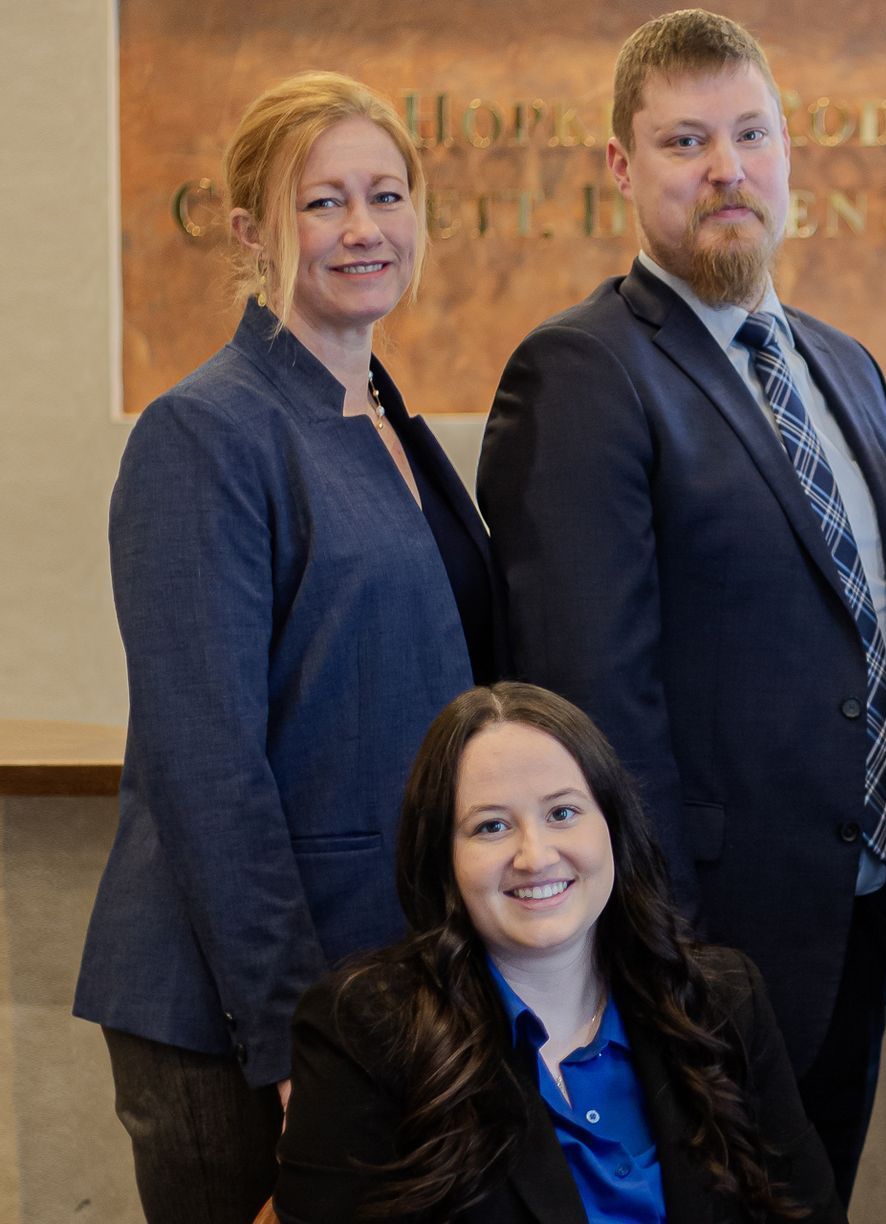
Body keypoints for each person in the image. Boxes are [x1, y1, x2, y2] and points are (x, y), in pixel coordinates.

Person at [476, 10, 886, 1197]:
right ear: (624, 169)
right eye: (685, 142)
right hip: (699, 950)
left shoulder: (846, 364)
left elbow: (874, 634)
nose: (727, 169)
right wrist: (662, 956)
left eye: (751, 134)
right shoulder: (581, 371)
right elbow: (592, 700)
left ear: (789, 152)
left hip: (855, 923)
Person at [72, 71, 500, 1223]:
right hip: (243, 1017)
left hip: (389, 985)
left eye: (387, 193)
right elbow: (210, 773)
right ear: (252, 230)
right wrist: (289, 1040)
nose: (364, 229)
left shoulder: (387, 418)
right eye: (321, 203)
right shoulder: (203, 433)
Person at [272, 684, 842, 1223]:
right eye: (491, 826)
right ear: (442, 859)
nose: (535, 855)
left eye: (562, 813)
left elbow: (805, 1212)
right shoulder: (363, 1032)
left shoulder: (722, 998)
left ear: (613, 828)